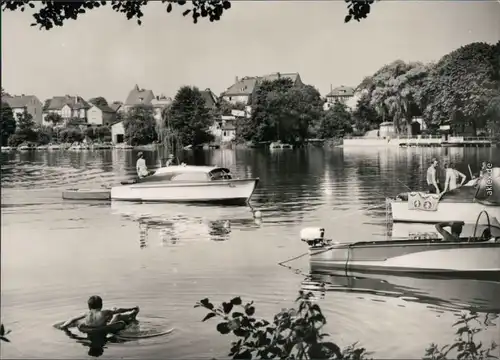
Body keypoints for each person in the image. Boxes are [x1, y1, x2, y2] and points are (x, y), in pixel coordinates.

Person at [60, 295, 139, 330]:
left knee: (77, 321)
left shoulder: (86, 313)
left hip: (90, 328)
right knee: (117, 315)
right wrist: (131, 308)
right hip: (102, 328)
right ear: (101, 305)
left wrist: (63, 326)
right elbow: (119, 310)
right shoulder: (103, 312)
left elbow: (72, 319)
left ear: (89, 306)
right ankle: (132, 314)